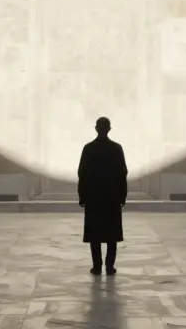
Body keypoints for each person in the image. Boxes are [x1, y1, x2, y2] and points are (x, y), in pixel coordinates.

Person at [77, 116, 128, 275]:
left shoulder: (89, 148)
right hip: (111, 196)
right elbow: (122, 173)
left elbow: (82, 173)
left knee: (95, 233)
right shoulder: (116, 148)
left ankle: (97, 266)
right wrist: (122, 195)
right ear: (109, 129)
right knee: (111, 233)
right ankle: (110, 266)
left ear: (96, 128)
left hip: (94, 196)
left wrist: (82, 194)